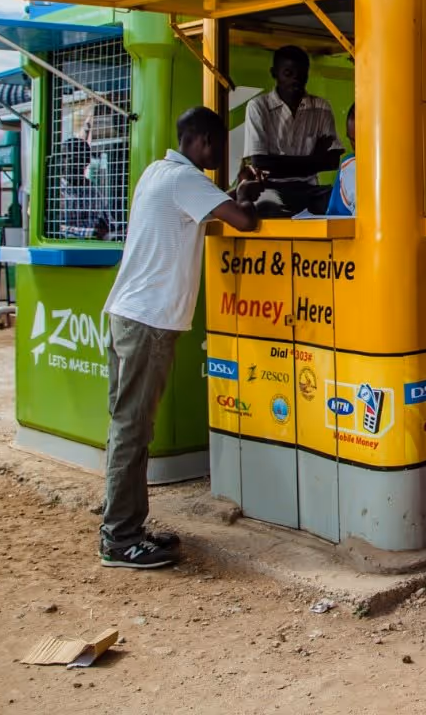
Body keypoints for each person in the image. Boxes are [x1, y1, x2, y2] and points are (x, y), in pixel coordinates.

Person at [99, 107, 259, 569]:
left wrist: (235, 193)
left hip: (129, 315)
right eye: (218, 146)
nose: (219, 154)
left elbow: (207, 210)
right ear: (204, 141)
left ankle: (125, 526)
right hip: (148, 323)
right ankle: (120, 538)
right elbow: (243, 222)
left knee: (126, 426)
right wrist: (247, 201)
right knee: (133, 429)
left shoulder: (159, 172)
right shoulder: (185, 180)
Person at [239, 45, 341, 215]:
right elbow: (260, 163)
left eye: (302, 75)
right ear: (274, 73)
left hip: (309, 188)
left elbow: (331, 161)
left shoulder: (322, 108)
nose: (296, 80)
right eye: (288, 74)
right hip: (270, 188)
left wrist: (277, 162)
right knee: (269, 209)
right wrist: (314, 160)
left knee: (340, 206)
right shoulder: (258, 107)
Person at [58, 138, 110, 240]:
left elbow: (107, 221)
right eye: (62, 157)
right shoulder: (54, 192)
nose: (63, 162)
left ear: (85, 160)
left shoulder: (94, 192)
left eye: (69, 156)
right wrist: (89, 233)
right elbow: (51, 228)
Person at [325, 105, 357, 216]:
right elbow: (336, 220)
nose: (357, 146)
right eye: (353, 140)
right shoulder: (348, 167)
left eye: (364, 138)